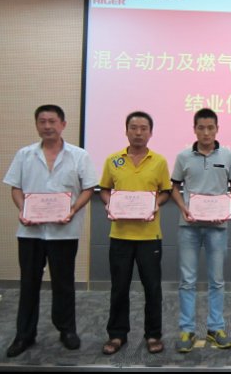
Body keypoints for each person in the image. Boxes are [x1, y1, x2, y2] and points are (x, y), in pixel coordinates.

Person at [3, 105, 98, 357]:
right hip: (30, 232)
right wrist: (23, 209)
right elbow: (15, 187)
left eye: (52, 121)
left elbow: (89, 188)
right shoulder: (24, 155)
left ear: (63, 124)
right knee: (28, 283)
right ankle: (24, 335)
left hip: (64, 231)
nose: (47, 126)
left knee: (63, 283)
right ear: (36, 125)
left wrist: (73, 209)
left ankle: (67, 330)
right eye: (42, 121)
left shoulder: (79, 156)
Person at [100, 111, 171, 355]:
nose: (138, 132)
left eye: (143, 128)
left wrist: (155, 204)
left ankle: (153, 335)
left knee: (152, 288)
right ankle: (117, 334)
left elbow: (166, 191)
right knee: (119, 288)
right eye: (133, 127)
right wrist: (109, 203)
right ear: (126, 130)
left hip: (149, 236)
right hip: (120, 235)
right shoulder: (113, 160)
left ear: (150, 133)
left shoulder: (159, 161)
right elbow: (104, 189)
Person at [171, 108, 231, 353]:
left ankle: (215, 328)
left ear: (217, 129)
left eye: (211, 128)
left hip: (217, 228)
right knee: (187, 280)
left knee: (216, 280)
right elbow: (174, 187)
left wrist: (226, 207)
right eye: (201, 128)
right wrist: (183, 207)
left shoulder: (228, 155)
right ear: (195, 129)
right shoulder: (183, 157)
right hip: (189, 227)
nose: (206, 132)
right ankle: (187, 329)